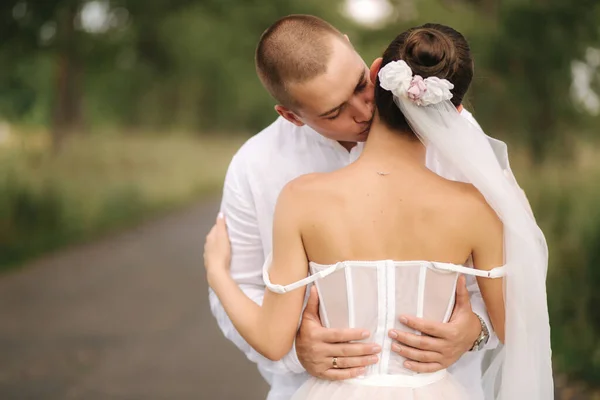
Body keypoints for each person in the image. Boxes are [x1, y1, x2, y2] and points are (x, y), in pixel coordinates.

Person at [205, 20, 553, 399]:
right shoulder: (255, 166)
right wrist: (296, 353)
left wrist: (475, 331)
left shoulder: (457, 138)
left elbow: (502, 297)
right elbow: (247, 289)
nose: (363, 110)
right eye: (334, 111)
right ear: (291, 115)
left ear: (371, 67)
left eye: (359, 86)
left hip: (447, 381)